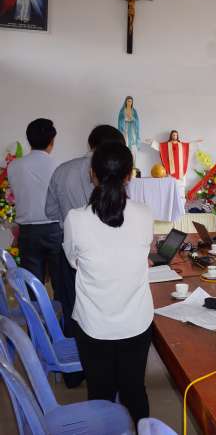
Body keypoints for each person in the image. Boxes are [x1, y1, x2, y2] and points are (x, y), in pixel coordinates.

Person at [63, 141, 154, 425]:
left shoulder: (76, 219)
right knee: (134, 389)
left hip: (93, 325)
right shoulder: (144, 214)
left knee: (100, 393)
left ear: (93, 174)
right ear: (129, 175)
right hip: (136, 323)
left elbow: (73, 262)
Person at [45, 125, 125, 338]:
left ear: (91, 143)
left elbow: (49, 210)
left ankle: (73, 362)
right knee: (102, 308)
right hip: (103, 251)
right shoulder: (113, 172)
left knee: (70, 304)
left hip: (68, 250)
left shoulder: (62, 169)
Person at [7, 118, 62, 298]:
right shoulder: (58, 167)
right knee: (61, 284)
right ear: (51, 142)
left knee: (32, 286)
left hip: (28, 233)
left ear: (29, 139)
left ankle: (35, 325)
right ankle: (62, 325)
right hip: (55, 230)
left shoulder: (14, 166)